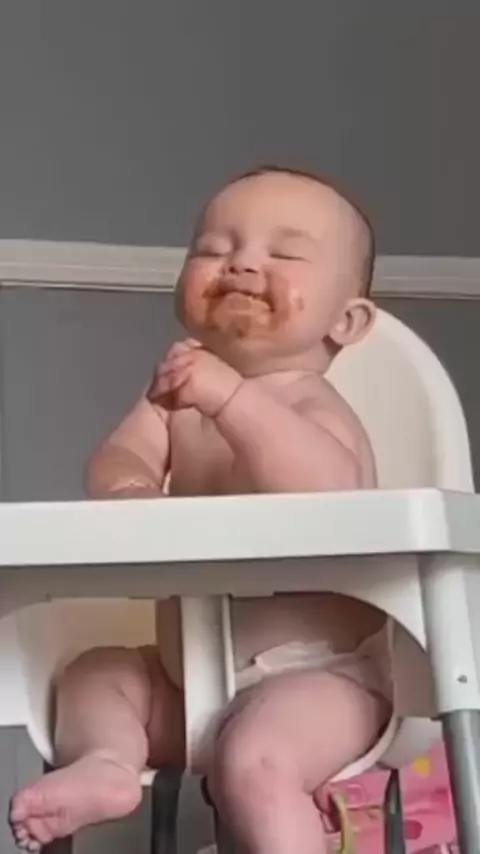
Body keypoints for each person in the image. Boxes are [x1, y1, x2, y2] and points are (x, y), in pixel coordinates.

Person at [10, 165, 392, 854]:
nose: (241, 262)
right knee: (96, 675)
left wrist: (229, 398)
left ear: (347, 320)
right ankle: (107, 762)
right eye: (214, 248)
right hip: (185, 677)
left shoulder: (314, 404)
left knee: (257, 762)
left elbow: (326, 491)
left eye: (284, 253)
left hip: (320, 677)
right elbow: (119, 456)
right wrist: (130, 489)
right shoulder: (173, 401)